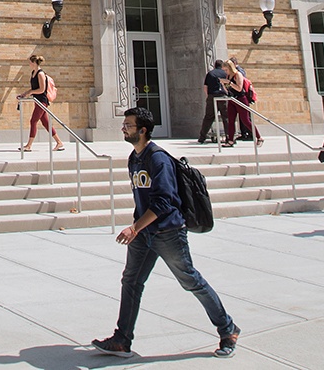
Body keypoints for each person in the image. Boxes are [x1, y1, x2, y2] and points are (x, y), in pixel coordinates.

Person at [91, 107, 240, 359]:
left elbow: (164, 202)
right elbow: (142, 198)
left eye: (128, 125)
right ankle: (122, 340)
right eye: (124, 124)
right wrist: (138, 227)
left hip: (168, 232)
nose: (123, 128)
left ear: (143, 130)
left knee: (190, 280)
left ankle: (228, 329)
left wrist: (135, 228)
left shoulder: (157, 158)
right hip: (144, 232)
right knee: (131, 282)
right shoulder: (134, 158)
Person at [17, 54, 64, 152]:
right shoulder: (33, 72)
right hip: (37, 100)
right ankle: (59, 143)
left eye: (30, 62)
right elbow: (34, 88)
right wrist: (25, 94)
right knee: (45, 123)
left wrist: (30, 92)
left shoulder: (40, 74)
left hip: (42, 101)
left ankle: (29, 145)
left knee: (33, 121)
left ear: (34, 63)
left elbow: (42, 89)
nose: (29, 64)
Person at [223, 55, 257, 143]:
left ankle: (258, 137)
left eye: (226, 70)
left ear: (230, 68)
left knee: (245, 120)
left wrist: (229, 83)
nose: (225, 72)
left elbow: (239, 88)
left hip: (241, 98)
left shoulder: (238, 74)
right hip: (232, 99)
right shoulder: (228, 76)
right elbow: (228, 90)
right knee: (231, 120)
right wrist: (223, 84)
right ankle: (230, 140)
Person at [196, 60, 230, 144]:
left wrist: (208, 96)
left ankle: (202, 137)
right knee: (226, 117)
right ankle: (229, 137)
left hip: (212, 96)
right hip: (223, 96)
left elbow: (205, 87)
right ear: (222, 66)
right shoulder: (225, 74)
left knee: (209, 117)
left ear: (214, 65)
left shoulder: (210, 74)